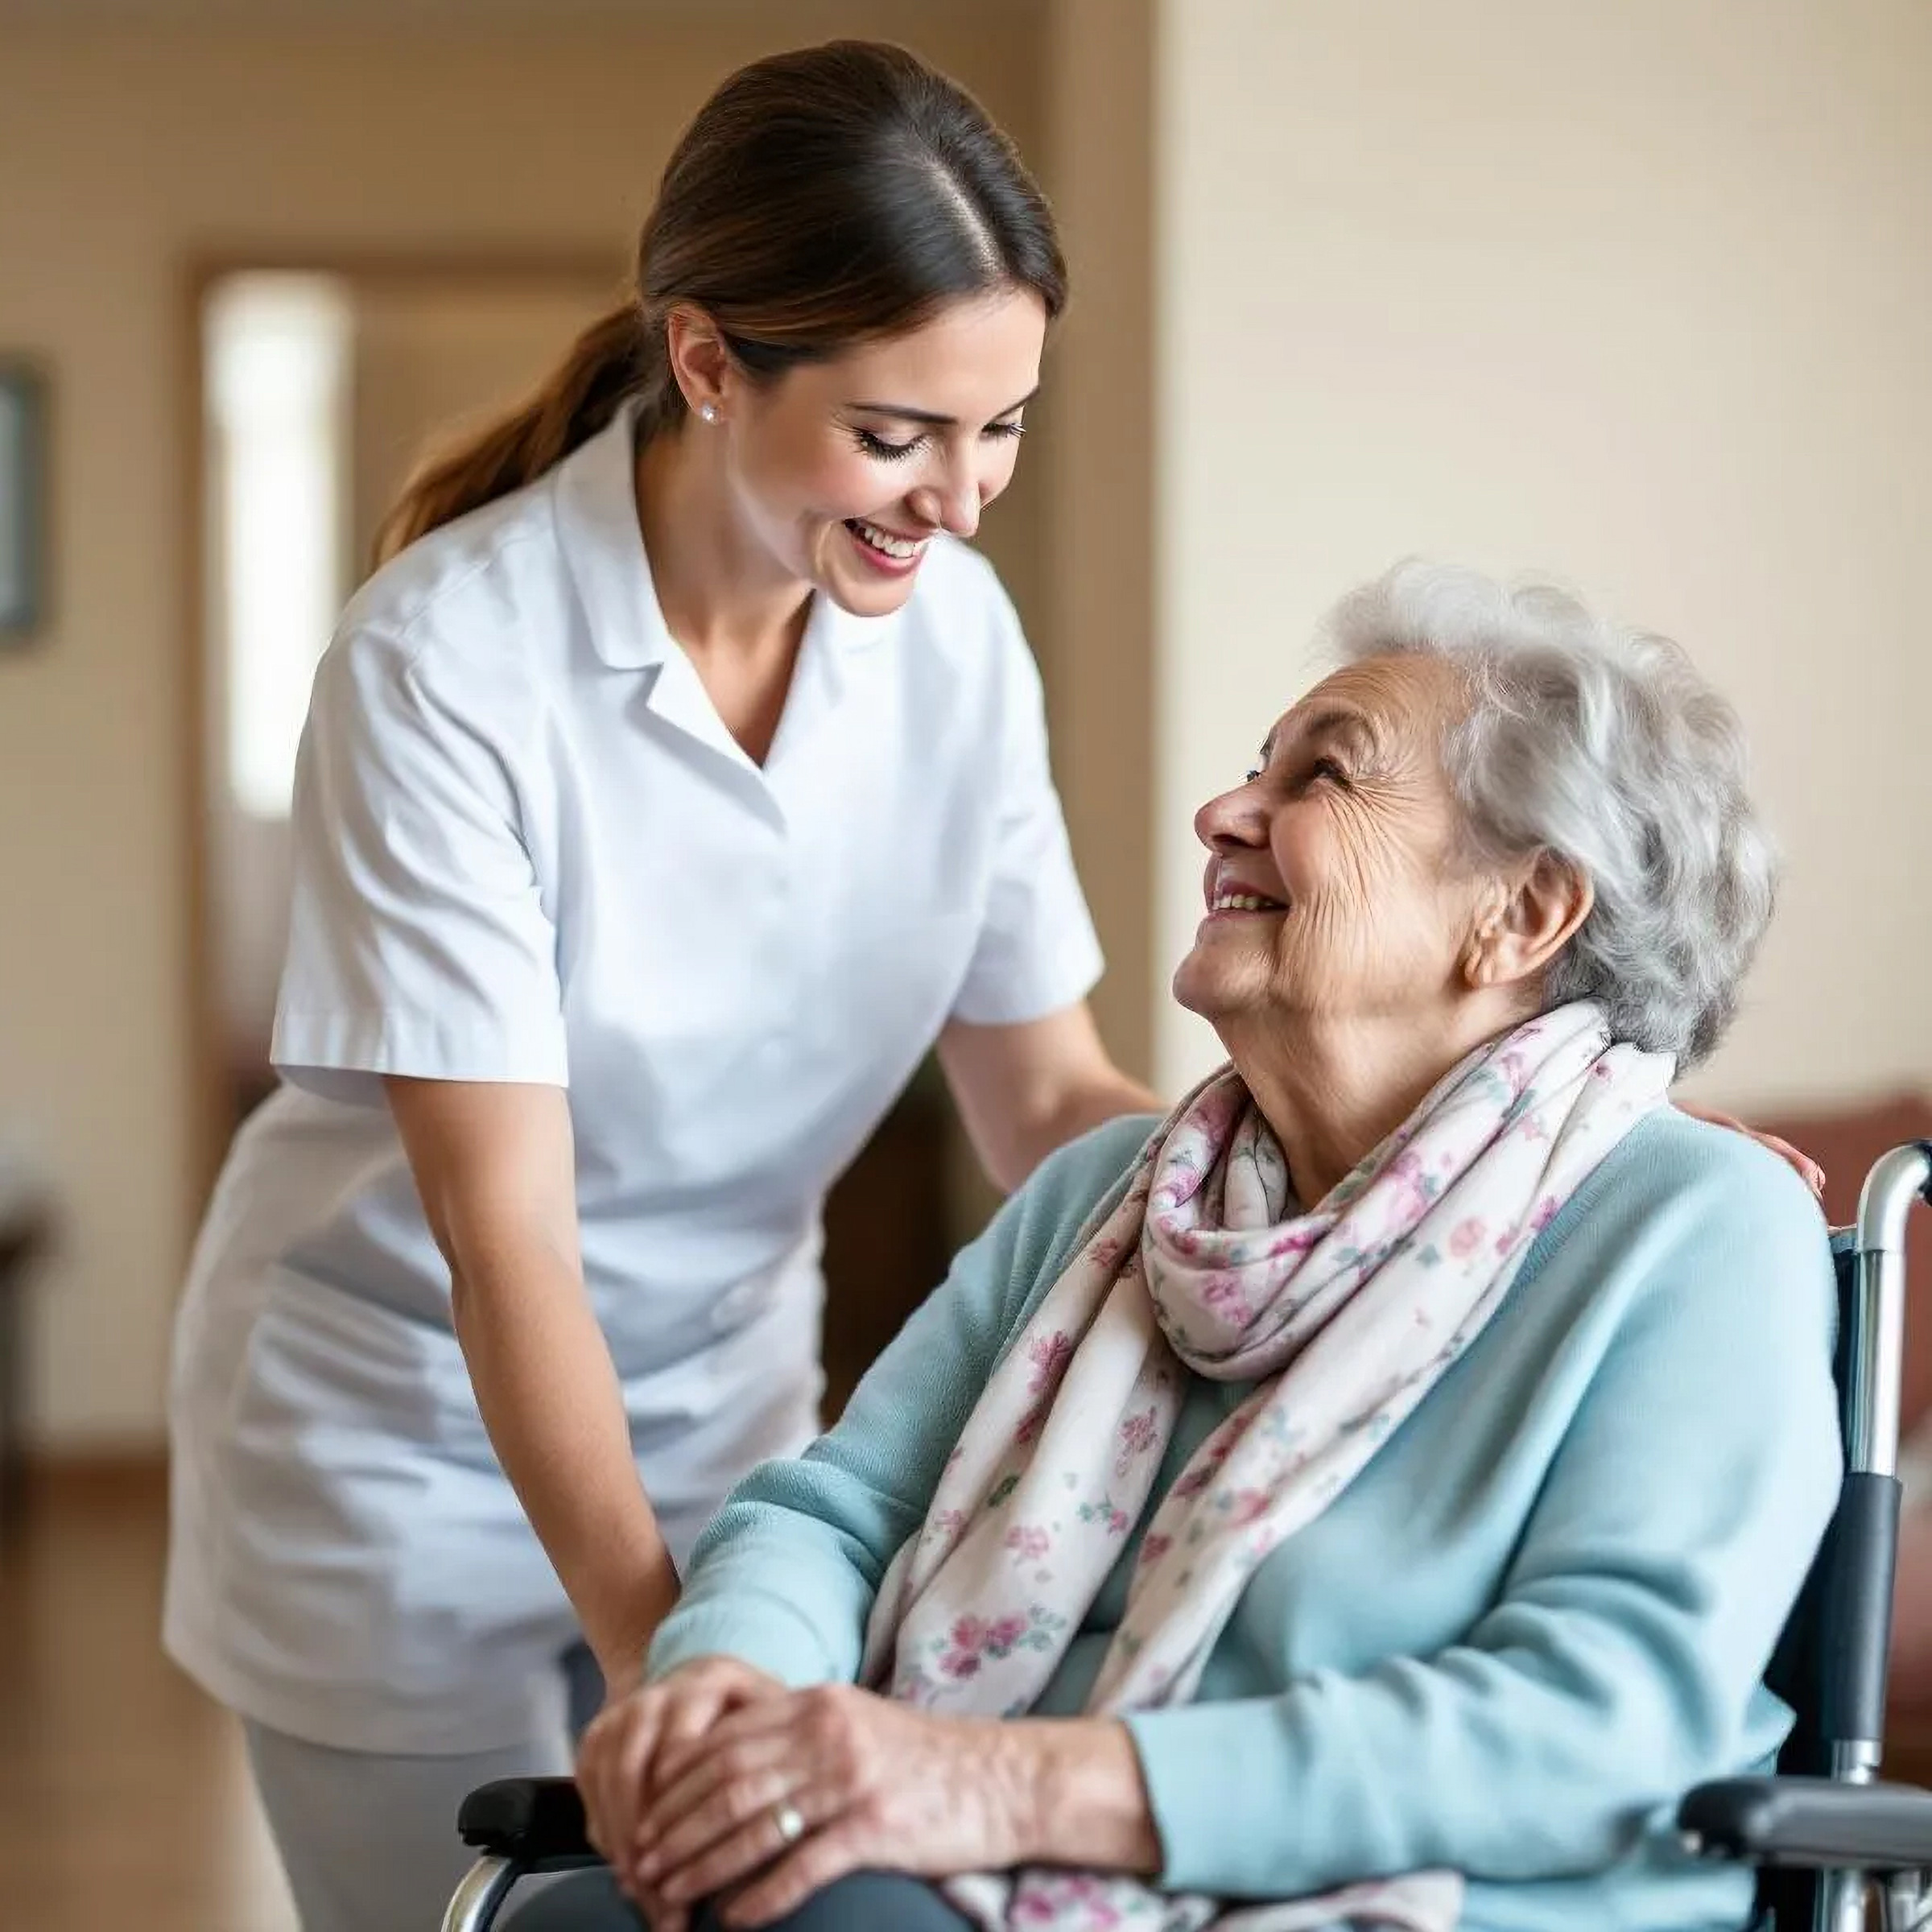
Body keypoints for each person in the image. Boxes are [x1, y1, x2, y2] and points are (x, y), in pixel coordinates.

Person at [162, 40, 1162, 1932]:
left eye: (1003, 424)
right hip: (409, 1452)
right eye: (899, 433)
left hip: (734, 1423)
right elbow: (508, 1248)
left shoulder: (954, 643)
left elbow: (1047, 1103)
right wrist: (668, 1657)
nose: (965, 499)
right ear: (705, 361)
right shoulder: (448, 666)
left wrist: (1392, 1156)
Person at [527, 563, 1843, 1932]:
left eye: (1323, 779)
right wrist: (725, 1702)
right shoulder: (1113, 1193)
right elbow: (837, 1517)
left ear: (1519, 913)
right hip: (949, 1857)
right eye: (1250, 770)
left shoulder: (1694, 1228)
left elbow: (1601, 1724)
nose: (1222, 816)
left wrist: (996, 1785)